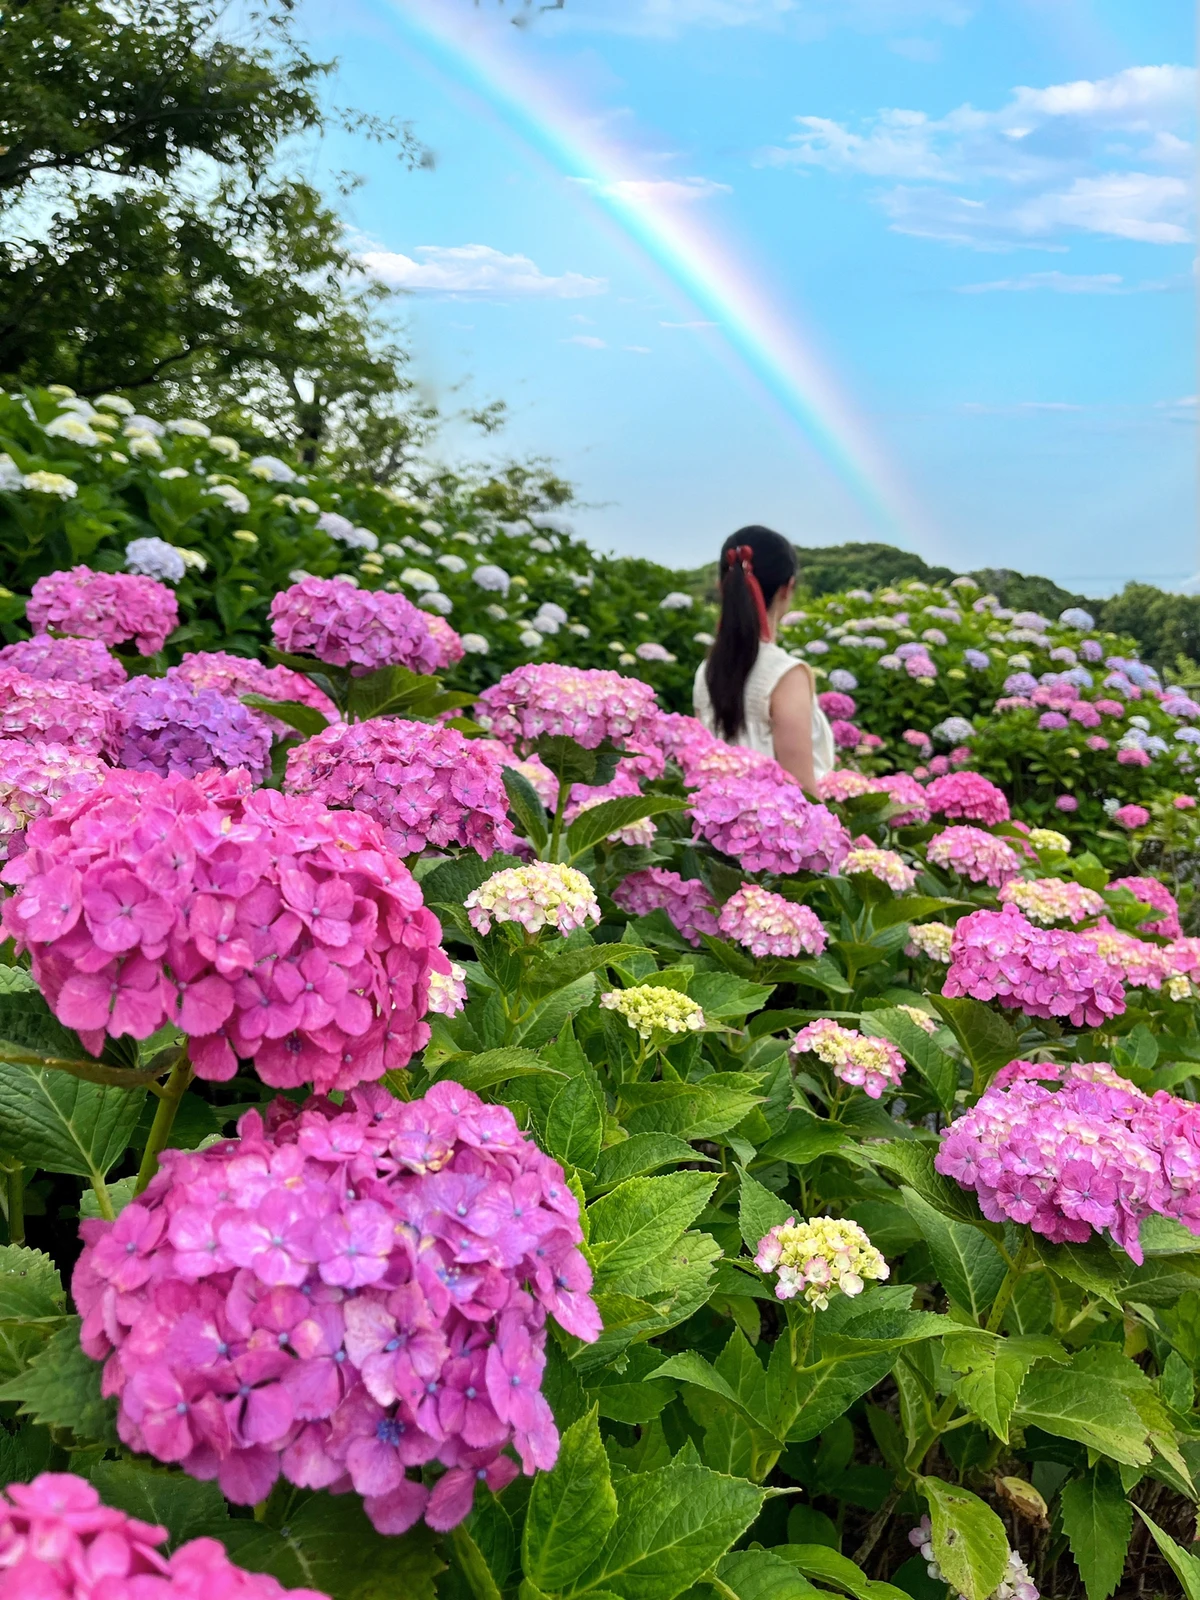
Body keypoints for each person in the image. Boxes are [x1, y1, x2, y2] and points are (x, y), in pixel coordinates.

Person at [693, 525, 834, 792]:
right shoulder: (786, 674)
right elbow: (803, 791)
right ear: (788, 588)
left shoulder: (706, 671)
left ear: (721, 588)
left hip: (713, 815)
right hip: (777, 819)